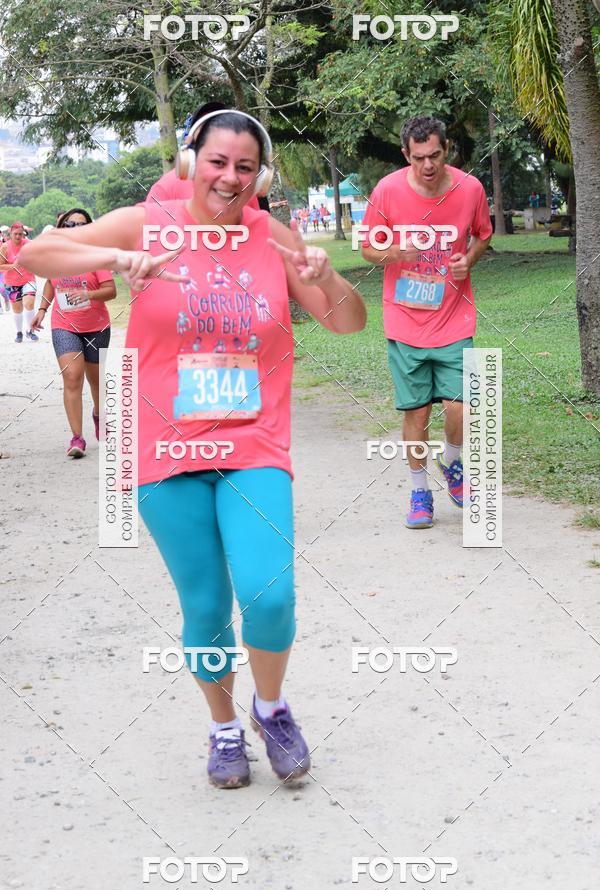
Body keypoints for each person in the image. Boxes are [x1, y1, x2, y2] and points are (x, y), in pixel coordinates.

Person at [22, 109, 366, 789]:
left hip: (253, 444)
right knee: (205, 607)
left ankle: (271, 708)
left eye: (245, 167)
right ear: (190, 163)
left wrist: (327, 277)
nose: (230, 178)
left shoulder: (272, 237)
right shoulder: (145, 224)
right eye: (217, 162)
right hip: (165, 451)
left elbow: (349, 322)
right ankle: (223, 725)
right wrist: (116, 259)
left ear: (259, 177)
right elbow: (35, 254)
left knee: (270, 594)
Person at [361, 115, 492, 528]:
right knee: (417, 415)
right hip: (405, 323)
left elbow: (483, 235)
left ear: (447, 149)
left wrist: (468, 259)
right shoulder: (387, 191)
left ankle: (451, 463)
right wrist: (395, 253)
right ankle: (420, 492)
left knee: (462, 407)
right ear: (406, 155)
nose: (428, 165)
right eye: (419, 158)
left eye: (435, 155)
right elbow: (367, 247)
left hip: (454, 320)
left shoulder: (470, 189)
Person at [30, 209, 116, 458]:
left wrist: (88, 294)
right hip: (64, 325)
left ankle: (99, 414)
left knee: (96, 381)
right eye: (69, 224)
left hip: (96, 327)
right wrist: (42, 309)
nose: (74, 229)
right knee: (72, 377)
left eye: (80, 225)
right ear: (62, 227)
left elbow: (111, 291)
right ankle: (77, 438)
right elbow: (50, 283)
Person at [147, 101, 263, 213]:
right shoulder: (165, 188)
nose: (214, 134)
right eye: (205, 128)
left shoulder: (244, 186)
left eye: (222, 127)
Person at [0, 222, 38, 342]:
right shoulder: (5, 247)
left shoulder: (29, 245)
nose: (18, 236)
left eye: (20, 234)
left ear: (23, 234)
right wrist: (13, 266)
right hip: (11, 282)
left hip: (28, 280)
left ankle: (30, 330)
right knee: (17, 309)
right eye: (15, 234)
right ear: (10, 234)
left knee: (29, 303)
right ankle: (19, 332)